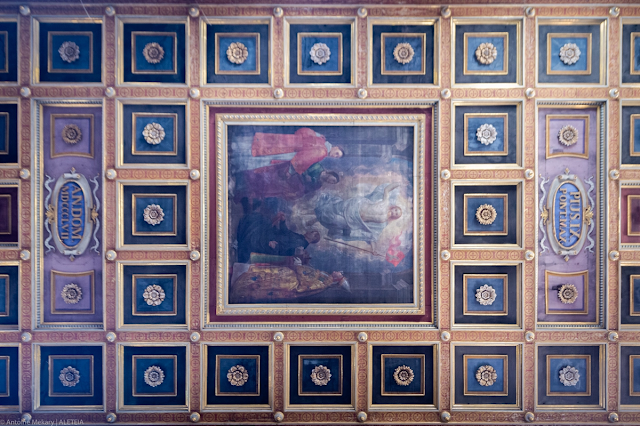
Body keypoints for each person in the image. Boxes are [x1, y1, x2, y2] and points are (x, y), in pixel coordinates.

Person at [313, 183, 403, 242]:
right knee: (335, 208)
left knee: (334, 220)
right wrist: (398, 184)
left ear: (395, 217)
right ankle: (317, 210)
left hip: (355, 219)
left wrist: (373, 247)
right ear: (394, 207)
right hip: (356, 206)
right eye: (396, 210)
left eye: (396, 214)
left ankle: (317, 217)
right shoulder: (386, 202)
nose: (395, 212)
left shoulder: (383, 221)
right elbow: (387, 189)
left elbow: (371, 231)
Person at [229, 127, 343, 174]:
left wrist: (298, 140)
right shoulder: (323, 152)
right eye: (337, 153)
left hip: (289, 141)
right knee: (267, 156)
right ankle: (236, 160)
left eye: (337, 157)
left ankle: (234, 147)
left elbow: (303, 131)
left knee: (264, 144)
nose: (335, 156)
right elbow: (303, 159)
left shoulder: (321, 138)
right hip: (291, 152)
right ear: (336, 147)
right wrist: (293, 170)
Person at [230, 263, 349, 303]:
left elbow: (304, 286)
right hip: (288, 275)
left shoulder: (324, 283)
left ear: (337, 279)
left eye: (340, 274)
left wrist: (299, 268)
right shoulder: (326, 276)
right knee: (263, 274)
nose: (338, 272)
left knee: (264, 283)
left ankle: (241, 289)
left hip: (288, 282)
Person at [236, 210, 320, 263]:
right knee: (263, 220)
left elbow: (284, 249)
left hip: (272, 244)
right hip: (274, 237)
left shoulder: (300, 244)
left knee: (258, 228)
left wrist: (273, 245)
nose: (309, 231)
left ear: (313, 239)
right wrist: (283, 221)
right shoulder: (301, 238)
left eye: (312, 232)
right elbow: (286, 232)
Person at [231, 161, 339, 202]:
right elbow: (302, 164)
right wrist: (300, 174)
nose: (331, 182)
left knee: (265, 190)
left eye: (332, 183)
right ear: (331, 174)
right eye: (333, 180)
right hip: (289, 174)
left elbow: (306, 191)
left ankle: (238, 191)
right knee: (264, 177)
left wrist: (297, 194)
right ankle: (237, 180)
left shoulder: (318, 185)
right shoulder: (317, 166)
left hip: (289, 187)